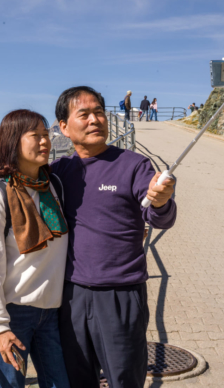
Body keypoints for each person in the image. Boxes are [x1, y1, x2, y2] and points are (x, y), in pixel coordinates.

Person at [52, 86, 177, 388]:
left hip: (122, 295)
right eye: (84, 114)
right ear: (64, 127)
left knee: (125, 379)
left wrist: (161, 201)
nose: (95, 120)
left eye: (99, 113)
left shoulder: (134, 165)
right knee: (76, 379)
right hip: (70, 297)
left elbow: (159, 216)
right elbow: (16, 183)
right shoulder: (57, 171)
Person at [0, 109, 70, 388]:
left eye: (47, 135)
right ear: (13, 142)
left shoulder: (53, 187)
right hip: (14, 315)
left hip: (51, 312)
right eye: (36, 136)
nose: (45, 142)